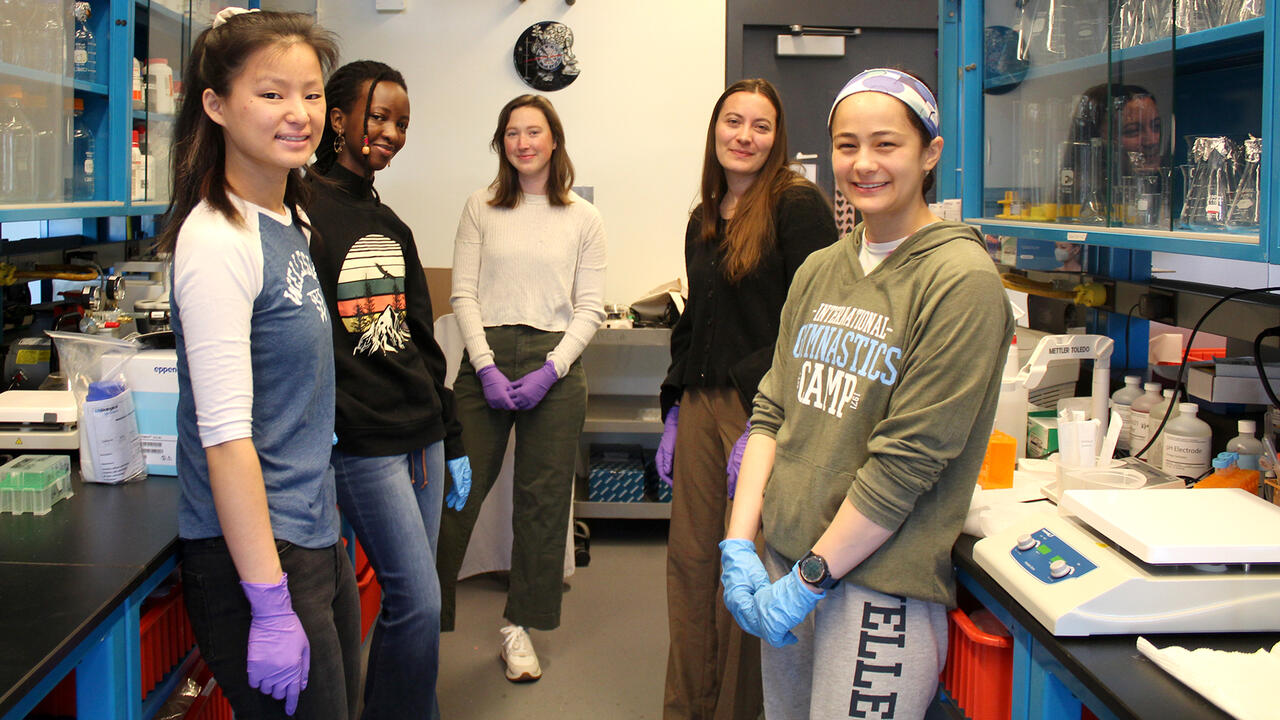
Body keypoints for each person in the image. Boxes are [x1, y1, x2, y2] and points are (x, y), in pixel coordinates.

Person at [719, 68, 1013, 719]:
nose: (864, 163)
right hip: (785, 561)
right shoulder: (822, 268)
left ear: (930, 153)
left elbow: (906, 463)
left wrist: (810, 579)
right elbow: (771, 411)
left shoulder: (959, 280)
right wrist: (740, 543)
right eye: (846, 145)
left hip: (876, 585)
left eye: (886, 144)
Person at [158, 9, 359, 719]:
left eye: (311, 93)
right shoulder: (217, 240)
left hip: (310, 531)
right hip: (257, 557)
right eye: (272, 93)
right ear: (215, 105)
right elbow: (224, 438)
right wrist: (270, 605)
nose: (299, 113)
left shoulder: (287, 220)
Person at [657, 78, 837, 720]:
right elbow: (696, 319)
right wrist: (674, 406)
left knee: (746, 569)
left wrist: (769, 423)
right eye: (733, 121)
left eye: (761, 126)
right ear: (715, 129)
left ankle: (736, 710)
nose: (744, 136)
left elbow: (815, 317)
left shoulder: (796, 206)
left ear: (777, 138)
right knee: (690, 563)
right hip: (701, 406)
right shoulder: (704, 216)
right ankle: (686, 707)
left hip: (762, 411)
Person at [307, 60, 472, 719]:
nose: (392, 133)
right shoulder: (300, 211)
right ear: (338, 119)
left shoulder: (390, 224)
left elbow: (422, 340)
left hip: (421, 435)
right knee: (418, 601)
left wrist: (452, 434)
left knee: (416, 600)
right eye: (378, 117)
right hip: (361, 442)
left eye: (402, 123)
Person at [437, 94, 606, 683]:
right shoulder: (480, 207)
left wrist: (549, 371)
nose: (523, 142)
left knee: (542, 503)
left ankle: (520, 627)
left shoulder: (583, 218)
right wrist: (484, 367)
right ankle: (423, 619)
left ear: (554, 140)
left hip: (555, 366)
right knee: (457, 492)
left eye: (534, 131)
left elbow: (590, 309)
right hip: (485, 355)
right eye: (512, 132)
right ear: (501, 143)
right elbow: (463, 294)